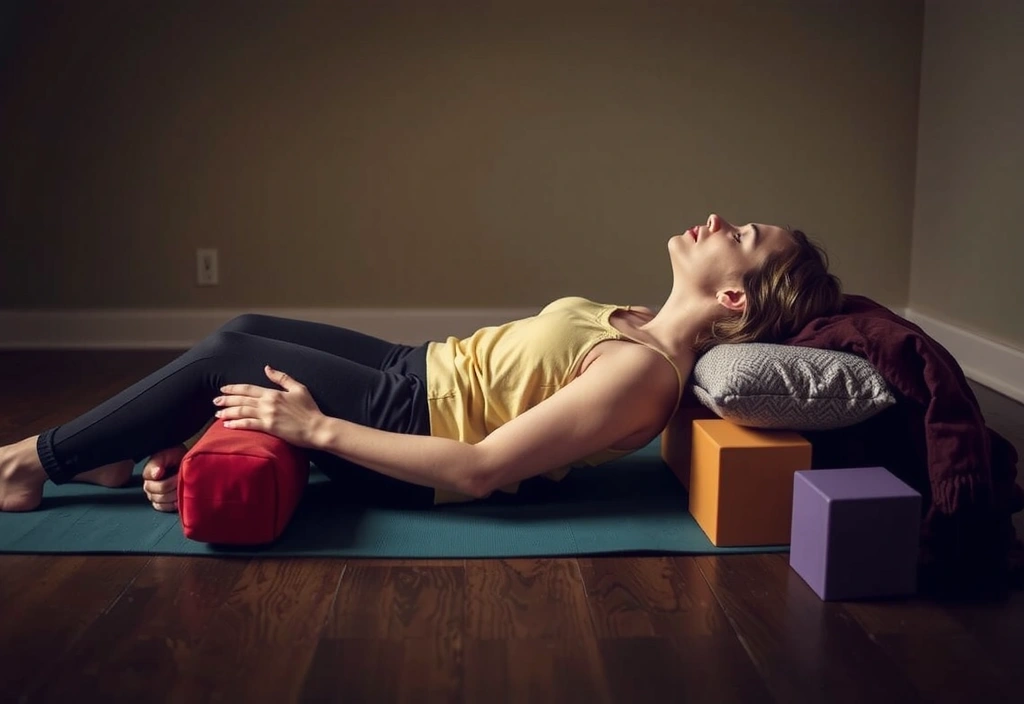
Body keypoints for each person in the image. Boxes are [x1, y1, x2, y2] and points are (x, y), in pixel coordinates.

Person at [0, 213, 843, 513]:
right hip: (420, 369)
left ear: (734, 299)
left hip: (415, 429)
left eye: (740, 237)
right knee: (247, 323)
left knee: (229, 354)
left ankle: (28, 466)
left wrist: (318, 428)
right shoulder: (632, 318)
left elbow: (479, 470)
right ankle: (118, 459)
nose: (716, 219)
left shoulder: (643, 376)